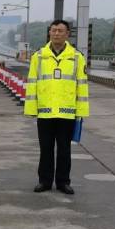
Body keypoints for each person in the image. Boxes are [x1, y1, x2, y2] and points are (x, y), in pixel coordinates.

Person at [23, 19, 89, 194]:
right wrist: (31, 109)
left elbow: (81, 86)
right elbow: (32, 84)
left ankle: (63, 182)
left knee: (64, 150)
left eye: (61, 31)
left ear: (67, 34)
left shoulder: (76, 57)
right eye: (54, 30)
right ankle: (44, 181)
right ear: (49, 33)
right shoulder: (38, 57)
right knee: (45, 149)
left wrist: (81, 112)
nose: (57, 34)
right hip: (45, 112)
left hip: (67, 113)